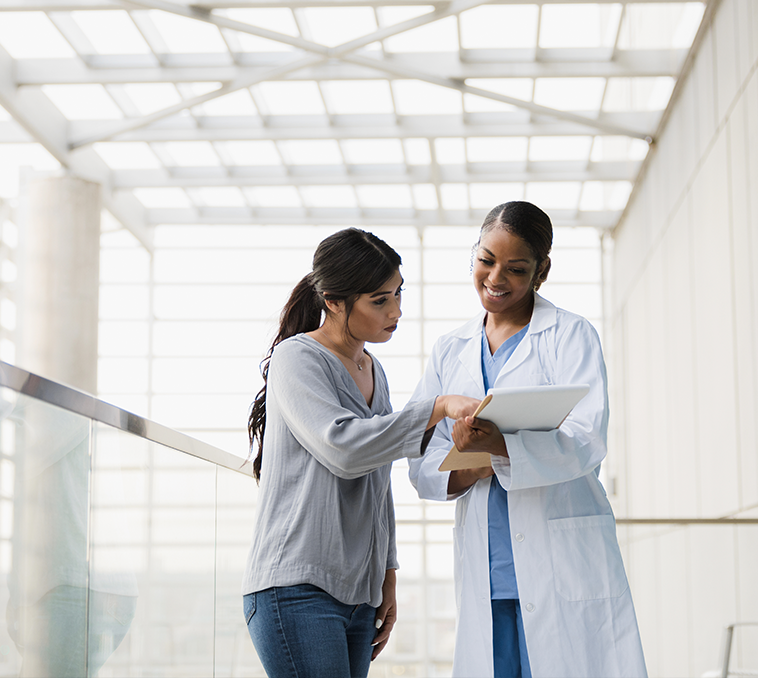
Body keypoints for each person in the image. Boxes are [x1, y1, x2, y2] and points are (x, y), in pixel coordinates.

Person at [407, 201, 648, 678]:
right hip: (488, 568)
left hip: (561, 559)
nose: (496, 278)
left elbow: (586, 439)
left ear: (542, 272)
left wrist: (500, 446)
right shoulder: (450, 350)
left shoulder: (570, 335)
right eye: (486, 260)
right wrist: (478, 460)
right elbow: (420, 457)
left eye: (516, 269)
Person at [242, 227, 478, 678]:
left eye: (398, 294)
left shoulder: (373, 369)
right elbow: (345, 449)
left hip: (359, 595)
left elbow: (377, 482)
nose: (396, 311)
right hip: (296, 588)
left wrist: (386, 577)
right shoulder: (298, 358)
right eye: (379, 300)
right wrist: (438, 408)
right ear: (333, 301)